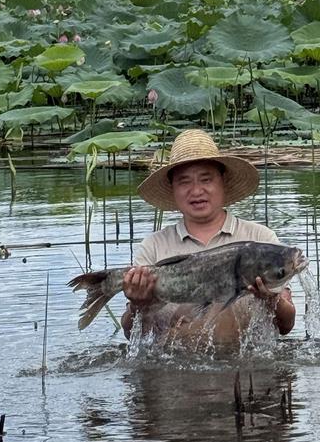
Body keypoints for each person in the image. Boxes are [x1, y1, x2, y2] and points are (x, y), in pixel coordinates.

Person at [121, 128, 296, 343]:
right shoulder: (154, 247)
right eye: (184, 181)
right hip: (176, 371)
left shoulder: (260, 239)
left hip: (246, 372)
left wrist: (270, 299)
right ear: (172, 189)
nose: (196, 191)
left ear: (222, 181)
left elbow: (286, 326)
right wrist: (138, 305)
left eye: (206, 179)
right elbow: (131, 334)